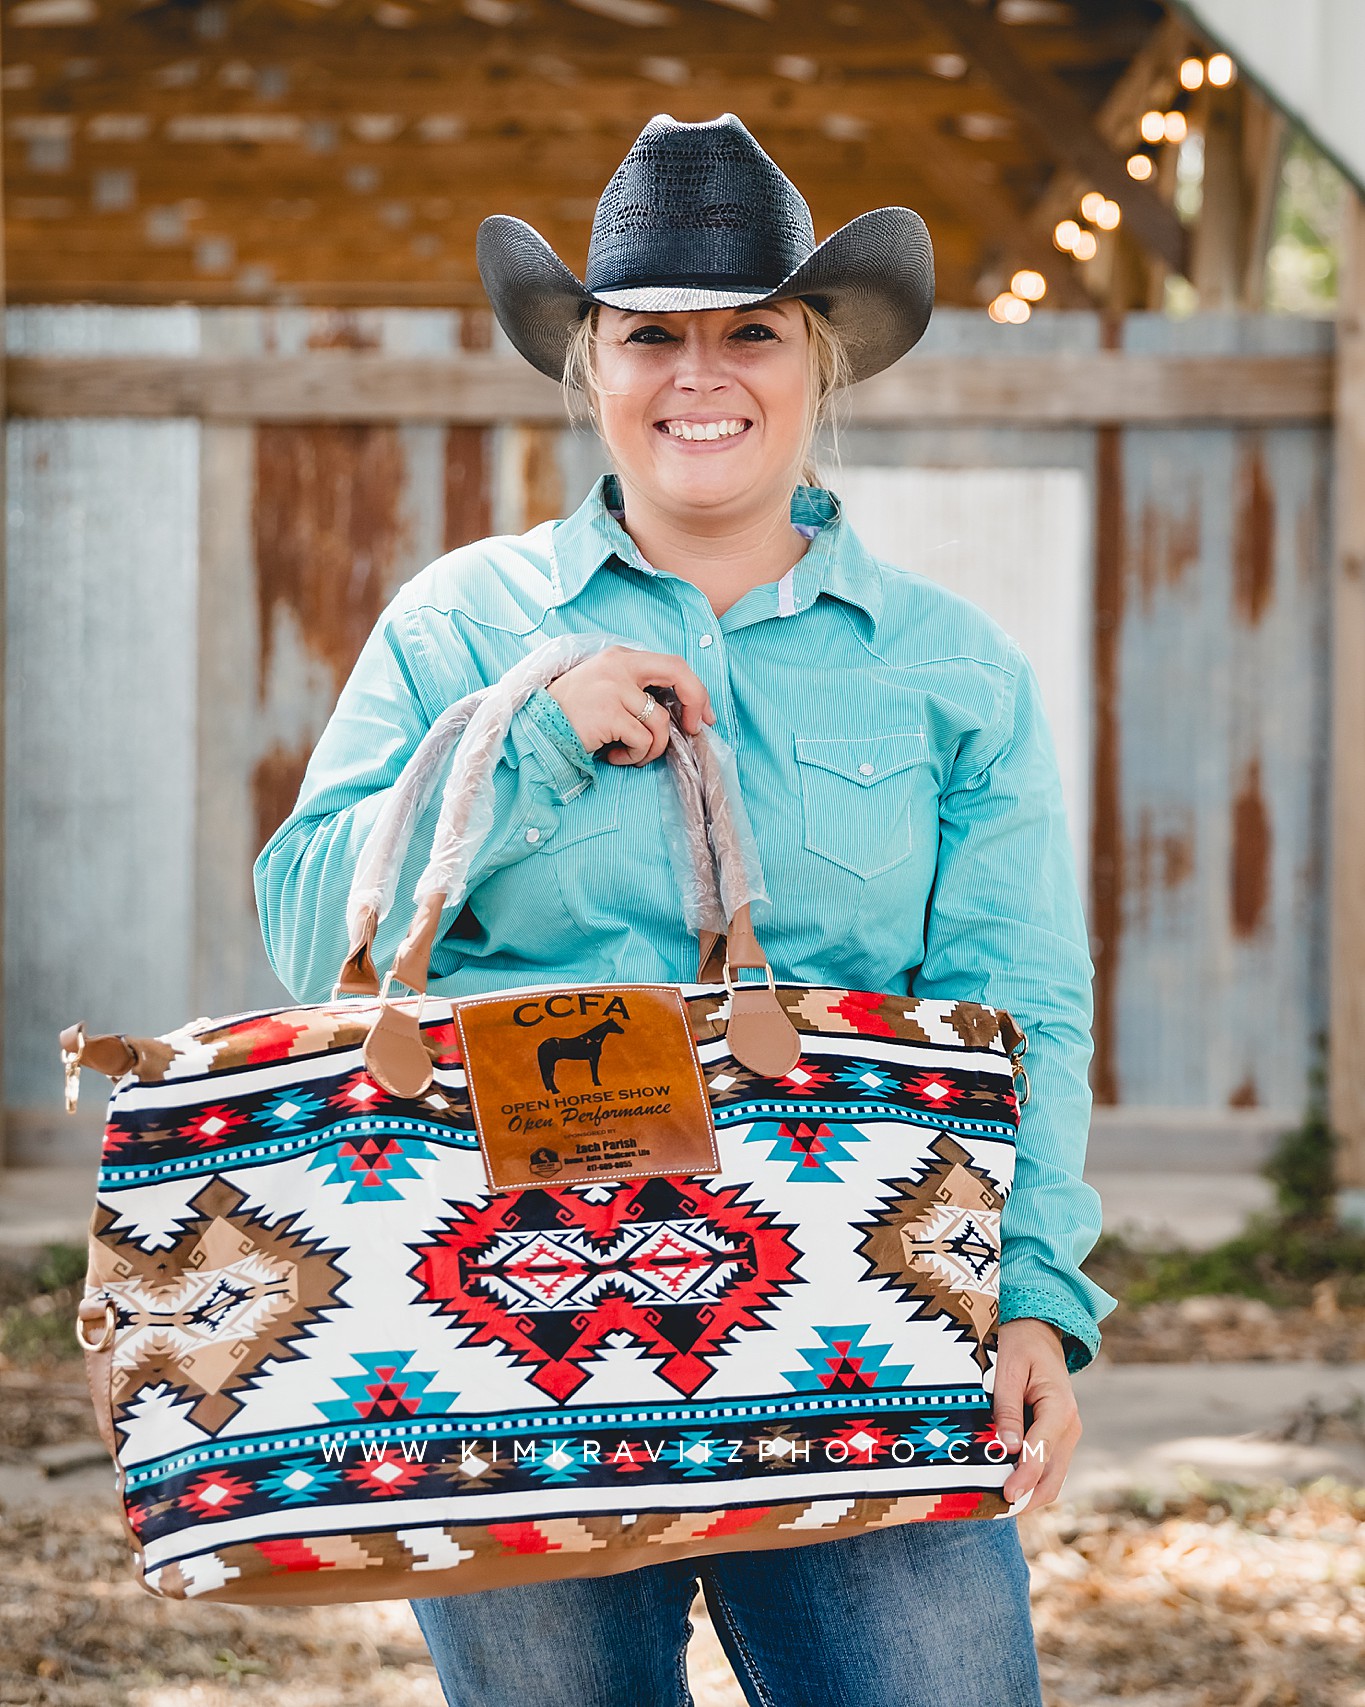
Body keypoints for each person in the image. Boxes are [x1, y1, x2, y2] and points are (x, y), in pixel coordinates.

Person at [255, 112, 1117, 1707]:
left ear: (818, 362)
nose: (697, 375)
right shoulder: (461, 626)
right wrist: (527, 745)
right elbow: (311, 930)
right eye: (650, 334)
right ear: (591, 363)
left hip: (861, 1317)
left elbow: (1024, 1007)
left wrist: (1034, 1299)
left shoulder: (947, 671)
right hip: (499, 1345)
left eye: (750, 334)